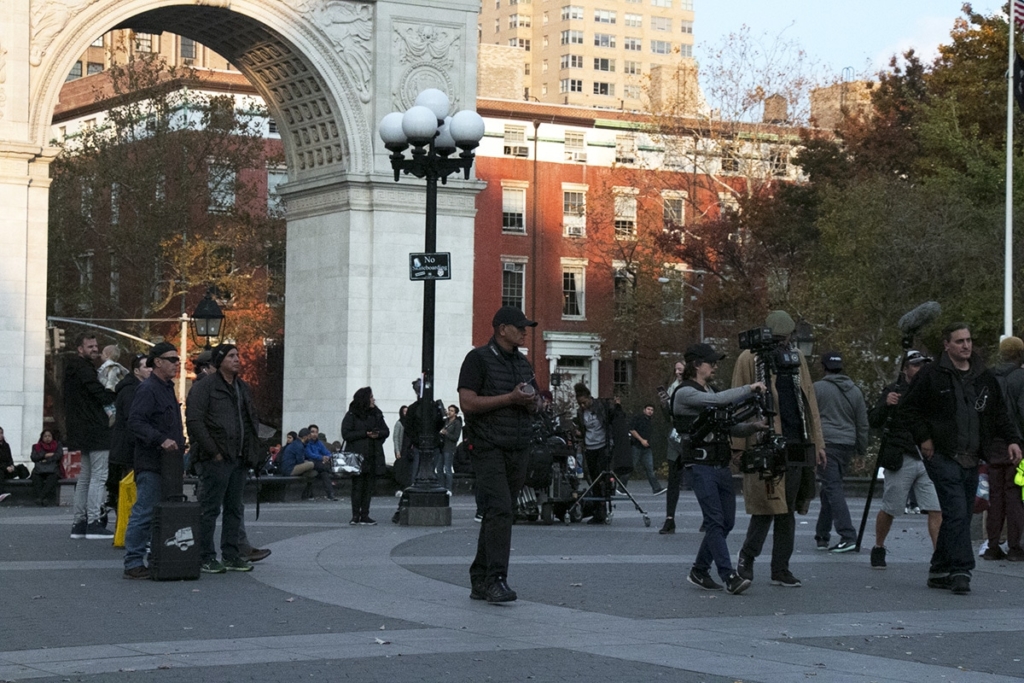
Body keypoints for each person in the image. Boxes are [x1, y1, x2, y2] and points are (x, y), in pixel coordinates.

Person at [901, 323, 1023, 594]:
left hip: (974, 454)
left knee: (962, 513)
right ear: (947, 345)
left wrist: (1013, 440)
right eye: (959, 341)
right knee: (956, 511)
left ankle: (939, 568)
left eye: (968, 340)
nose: (966, 346)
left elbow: (1000, 412)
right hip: (943, 454)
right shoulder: (932, 374)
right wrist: (924, 437)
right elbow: (908, 409)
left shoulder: (983, 376)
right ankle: (961, 569)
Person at [733, 310, 825, 588]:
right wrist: (737, 446)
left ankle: (780, 568)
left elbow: (809, 400)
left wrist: (818, 443)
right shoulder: (749, 358)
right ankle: (747, 558)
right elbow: (738, 399)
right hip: (765, 441)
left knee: (788, 509)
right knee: (766, 506)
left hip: (797, 440)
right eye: (777, 339)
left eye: (785, 339)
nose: (781, 344)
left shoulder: (796, 358)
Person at [459, 305, 540, 603]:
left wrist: (534, 403)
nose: (524, 331)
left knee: (499, 512)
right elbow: (467, 403)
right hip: (488, 446)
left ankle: (480, 578)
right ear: (501, 329)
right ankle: (496, 579)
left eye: (526, 327)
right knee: (501, 509)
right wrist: (511, 398)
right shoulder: (477, 359)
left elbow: (537, 398)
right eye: (519, 327)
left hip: (518, 446)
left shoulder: (523, 363)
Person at [675, 343, 765, 595]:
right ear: (696, 365)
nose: (715, 366)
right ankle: (729, 576)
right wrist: (749, 388)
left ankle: (699, 570)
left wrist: (754, 427)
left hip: (720, 465)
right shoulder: (685, 393)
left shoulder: (710, 389)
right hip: (701, 466)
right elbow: (715, 401)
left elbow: (728, 428)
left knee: (726, 522)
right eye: (711, 362)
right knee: (714, 520)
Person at [187, 348, 270, 563]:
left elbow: (250, 420)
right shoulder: (205, 387)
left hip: (239, 458)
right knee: (210, 508)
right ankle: (206, 557)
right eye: (231, 356)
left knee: (234, 509)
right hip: (217, 458)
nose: (236, 359)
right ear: (219, 361)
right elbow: (195, 421)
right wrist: (213, 452)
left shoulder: (242, 387)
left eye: (237, 355)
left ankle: (232, 555)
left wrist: (253, 452)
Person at [867, 350, 942, 569]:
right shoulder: (894, 390)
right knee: (891, 507)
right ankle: (879, 545)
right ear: (905, 369)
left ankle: (939, 557)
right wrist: (885, 404)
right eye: (916, 364)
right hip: (901, 456)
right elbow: (874, 420)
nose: (921, 368)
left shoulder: (932, 390)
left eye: (924, 364)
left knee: (936, 508)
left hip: (927, 457)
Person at [123, 342, 186, 579]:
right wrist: (161, 440)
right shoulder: (149, 389)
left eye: (177, 359)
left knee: (160, 513)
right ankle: (133, 562)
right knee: (145, 512)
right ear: (157, 361)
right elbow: (136, 422)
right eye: (172, 359)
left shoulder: (166, 388)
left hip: (168, 463)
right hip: (151, 462)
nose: (177, 363)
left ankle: (156, 557)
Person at [813, 351, 869, 553]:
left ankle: (847, 535)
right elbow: (862, 423)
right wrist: (861, 451)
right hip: (847, 444)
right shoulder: (855, 391)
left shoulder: (817, 389)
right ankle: (822, 534)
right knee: (830, 488)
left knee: (833, 488)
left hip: (826, 444)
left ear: (823, 367)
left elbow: (810, 418)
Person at [64, 333, 116, 540]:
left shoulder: (73, 368)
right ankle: (94, 521)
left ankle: (79, 523)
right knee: (99, 476)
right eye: (90, 346)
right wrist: (112, 392)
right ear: (80, 348)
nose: (95, 349)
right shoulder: (85, 369)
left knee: (85, 477)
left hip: (81, 429)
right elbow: (100, 393)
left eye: (96, 346)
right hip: (96, 428)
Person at [982, 337, 1024, 562]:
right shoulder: (1021, 378)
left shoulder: (988, 377)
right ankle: (1015, 547)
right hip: (1016, 444)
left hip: (993, 445)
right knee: (1014, 495)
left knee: (995, 497)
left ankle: (992, 545)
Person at [107, 353, 151, 513]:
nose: (150, 370)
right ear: (136, 371)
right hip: (128, 450)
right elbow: (133, 421)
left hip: (130, 449)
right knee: (129, 490)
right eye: (146, 366)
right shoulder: (131, 391)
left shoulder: (141, 388)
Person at [574, 383, 622, 524]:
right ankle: (597, 511)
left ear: (589, 398)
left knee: (602, 477)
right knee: (593, 478)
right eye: (579, 404)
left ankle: (603, 508)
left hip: (603, 446)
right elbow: (583, 429)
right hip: (590, 447)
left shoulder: (600, 406)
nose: (582, 406)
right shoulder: (580, 412)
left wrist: (617, 405)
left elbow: (611, 419)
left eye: (584, 402)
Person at [341, 387, 389, 525]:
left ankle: (365, 514)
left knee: (368, 487)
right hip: (357, 456)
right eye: (371, 397)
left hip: (373, 454)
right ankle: (355, 515)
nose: (373, 399)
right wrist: (365, 433)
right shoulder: (351, 415)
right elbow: (346, 434)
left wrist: (377, 434)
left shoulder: (377, 413)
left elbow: (386, 431)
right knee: (357, 486)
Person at [658, 360, 688, 534]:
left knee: (699, 478)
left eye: (680, 369)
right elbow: (668, 417)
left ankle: (709, 518)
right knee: (673, 480)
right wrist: (664, 406)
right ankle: (670, 518)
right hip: (675, 438)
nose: (677, 372)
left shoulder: (694, 387)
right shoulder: (672, 387)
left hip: (691, 437)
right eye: (676, 369)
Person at [279, 427, 334, 500]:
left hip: (289, 468)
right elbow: (300, 461)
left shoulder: (297, 444)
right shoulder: (299, 446)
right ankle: (327, 469)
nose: (310, 438)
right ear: (305, 437)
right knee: (311, 464)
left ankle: (313, 492)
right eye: (309, 436)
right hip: (290, 469)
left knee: (314, 472)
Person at [628, 404, 666, 494]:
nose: (650, 411)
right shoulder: (638, 418)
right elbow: (632, 430)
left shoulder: (650, 421)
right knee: (630, 468)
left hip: (647, 448)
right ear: (644, 410)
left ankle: (656, 488)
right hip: (636, 447)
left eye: (652, 410)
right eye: (648, 409)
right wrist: (641, 440)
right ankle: (620, 487)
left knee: (650, 469)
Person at [30, 429, 64, 506]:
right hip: (39, 470)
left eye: (49, 436)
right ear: (42, 437)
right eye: (45, 436)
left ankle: (40, 498)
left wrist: (47, 460)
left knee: (52, 478)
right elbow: (33, 457)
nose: (47, 438)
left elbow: (58, 455)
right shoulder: (36, 446)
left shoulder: (57, 445)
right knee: (36, 477)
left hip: (53, 469)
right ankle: (43, 498)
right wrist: (44, 455)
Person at [304, 424, 337, 500]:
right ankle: (329, 470)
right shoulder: (307, 443)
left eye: (316, 432)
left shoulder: (319, 443)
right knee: (324, 468)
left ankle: (330, 494)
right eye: (312, 432)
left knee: (324, 473)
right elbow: (309, 455)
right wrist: (322, 458)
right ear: (308, 433)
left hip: (320, 465)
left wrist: (327, 457)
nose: (315, 434)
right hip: (310, 464)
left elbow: (327, 452)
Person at [438, 405, 463, 492]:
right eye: (449, 410)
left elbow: (455, 437)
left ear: (455, 413)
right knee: (439, 468)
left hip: (449, 448)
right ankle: (441, 487)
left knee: (448, 468)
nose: (449, 412)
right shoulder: (446, 421)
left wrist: (446, 433)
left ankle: (449, 488)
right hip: (442, 447)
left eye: (451, 411)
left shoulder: (457, 423)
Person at [1, 426, 28, 503]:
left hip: (8, 468)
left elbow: (9, 458)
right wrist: (5, 468)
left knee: (21, 468)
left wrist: (11, 466)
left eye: (2, 433)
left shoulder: (6, 445)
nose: (1, 435)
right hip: (2, 469)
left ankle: (25, 489)